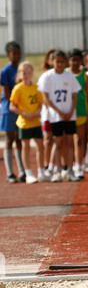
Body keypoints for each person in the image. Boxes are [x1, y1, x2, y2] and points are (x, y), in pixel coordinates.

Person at [38, 49, 81, 182]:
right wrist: (59, 112)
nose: (60, 64)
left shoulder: (70, 77)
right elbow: (45, 98)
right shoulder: (47, 77)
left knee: (69, 141)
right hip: (55, 116)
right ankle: (56, 169)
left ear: (65, 62)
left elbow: (75, 96)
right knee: (57, 142)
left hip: (69, 115)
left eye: (62, 62)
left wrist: (70, 111)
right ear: (52, 62)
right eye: (57, 62)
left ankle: (69, 170)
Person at [9, 61, 46, 184]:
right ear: (19, 74)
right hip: (24, 122)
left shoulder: (36, 88)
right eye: (23, 73)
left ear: (32, 73)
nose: (26, 75)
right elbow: (12, 106)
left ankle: (41, 171)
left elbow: (41, 104)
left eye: (28, 73)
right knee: (26, 147)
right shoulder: (18, 89)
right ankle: (28, 172)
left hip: (35, 121)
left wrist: (37, 112)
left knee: (40, 145)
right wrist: (24, 113)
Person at [0, 41, 25, 183]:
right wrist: (16, 105)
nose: (16, 55)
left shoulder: (22, 70)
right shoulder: (5, 71)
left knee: (19, 138)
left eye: (18, 52)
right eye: (13, 53)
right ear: (8, 55)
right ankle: (10, 172)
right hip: (9, 108)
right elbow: (7, 93)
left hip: (21, 108)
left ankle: (22, 170)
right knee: (10, 138)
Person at [67, 48, 88, 179]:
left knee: (80, 140)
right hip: (66, 112)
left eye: (78, 60)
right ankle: (66, 167)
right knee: (67, 141)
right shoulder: (64, 74)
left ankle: (79, 166)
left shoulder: (85, 77)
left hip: (81, 111)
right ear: (68, 61)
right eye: (73, 60)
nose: (75, 62)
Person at [39, 48, 55, 169]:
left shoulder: (65, 75)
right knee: (48, 139)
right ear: (48, 61)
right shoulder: (45, 77)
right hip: (48, 113)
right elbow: (42, 96)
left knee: (60, 139)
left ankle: (56, 165)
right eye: (52, 59)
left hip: (61, 112)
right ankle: (46, 164)